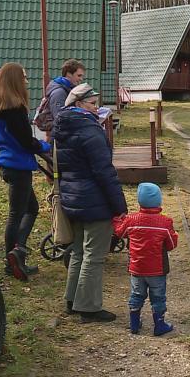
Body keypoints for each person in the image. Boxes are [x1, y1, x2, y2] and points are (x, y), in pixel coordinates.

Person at [55, 83, 128, 323]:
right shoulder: (89, 129)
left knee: (77, 251)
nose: (97, 109)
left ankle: (72, 299)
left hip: (73, 198)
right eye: (92, 104)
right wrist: (120, 206)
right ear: (78, 105)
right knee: (94, 255)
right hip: (94, 200)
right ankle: (88, 307)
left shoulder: (65, 127)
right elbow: (104, 171)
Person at [0, 62, 51, 281]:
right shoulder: (16, 109)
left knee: (30, 208)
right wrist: (45, 146)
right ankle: (13, 257)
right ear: (14, 81)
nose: (26, 82)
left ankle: (15, 253)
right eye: (24, 78)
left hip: (6, 163)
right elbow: (25, 142)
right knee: (18, 213)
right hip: (18, 165)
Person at [113, 183, 178, 336]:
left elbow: (119, 233)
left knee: (136, 295)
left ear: (139, 201)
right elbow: (171, 244)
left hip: (136, 267)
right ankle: (159, 325)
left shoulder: (131, 220)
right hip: (157, 269)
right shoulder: (165, 222)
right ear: (159, 201)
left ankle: (134, 324)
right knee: (158, 297)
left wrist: (116, 220)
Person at [43, 59, 86, 140]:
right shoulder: (59, 93)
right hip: (60, 137)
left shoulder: (67, 89)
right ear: (69, 74)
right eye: (79, 75)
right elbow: (59, 119)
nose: (81, 79)